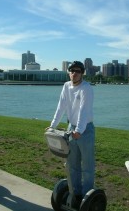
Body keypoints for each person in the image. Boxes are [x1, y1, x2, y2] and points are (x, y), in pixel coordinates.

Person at [47, 61, 95, 203]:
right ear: (69, 72)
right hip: (70, 129)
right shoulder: (66, 86)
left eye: (78, 71)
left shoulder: (86, 88)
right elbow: (61, 106)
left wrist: (79, 130)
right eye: (72, 71)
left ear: (82, 73)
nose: (74, 73)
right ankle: (75, 194)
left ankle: (86, 198)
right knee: (72, 165)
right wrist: (52, 126)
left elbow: (83, 110)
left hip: (85, 130)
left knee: (87, 166)